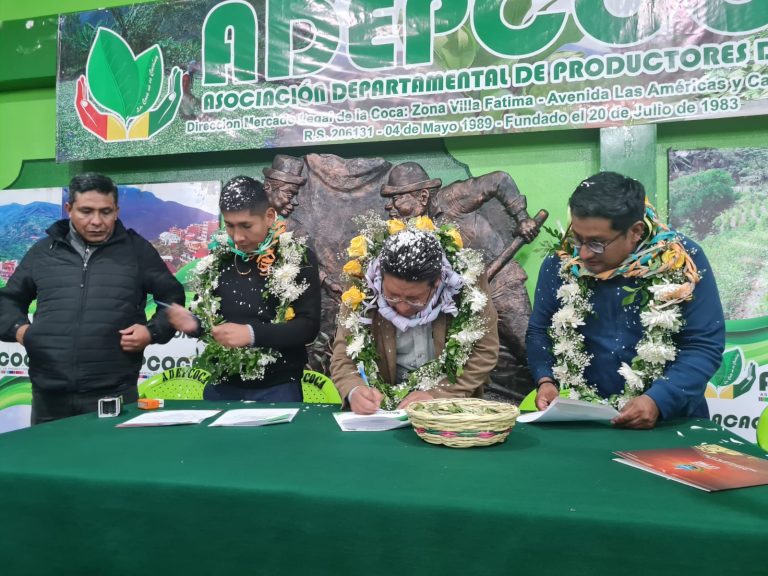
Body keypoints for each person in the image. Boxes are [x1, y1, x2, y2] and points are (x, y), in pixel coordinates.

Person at [526, 172, 725, 429]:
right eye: (577, 238)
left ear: (635, 231)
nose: (583, 254)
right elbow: (540, 330)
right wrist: (545, 380)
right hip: (586, 420)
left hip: (670, 421)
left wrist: (659, 399)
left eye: (596, 243)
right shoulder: (562, 262)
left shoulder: (682, 261)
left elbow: (703, 345)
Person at [0, 172, 185, 424]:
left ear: (116, 211)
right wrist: (21, 331)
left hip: (115, 395)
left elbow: (172, 298)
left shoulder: (137, 251)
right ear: (69, 209)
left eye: (105, 212)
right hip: (49, 397)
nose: (96, 221)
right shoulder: (43, 252)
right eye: (86, 211)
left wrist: (151, 332)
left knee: (110, 452)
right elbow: (7, 301)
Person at [380, 162, 539, 399]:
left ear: (422, 197)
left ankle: (555, 394)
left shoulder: (452, 199)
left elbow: (499, 179)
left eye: (396, 198)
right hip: (463, 299)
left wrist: (522, 218)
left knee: (527, 345)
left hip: (500, 284)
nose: (388, 206)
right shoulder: (403, 231)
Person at [166, 175, 321, 401]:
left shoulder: (297, 257)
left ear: (269, 217)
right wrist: (194, 324)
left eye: (246, 226)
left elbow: (308, 327)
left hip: (278, 387)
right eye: (230, 226)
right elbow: (215, 326)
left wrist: (252, 334)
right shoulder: (219, 259)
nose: (238, 237)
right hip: (221, 384)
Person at [331, 226, 499, 414]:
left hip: (450, 413)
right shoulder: (361, 285)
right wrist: (354, 389)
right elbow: (344, 352)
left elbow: (485, 350)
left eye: (414, 299)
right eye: (392, 296)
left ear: (437, 282)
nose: (402, 308)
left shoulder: (467, 283)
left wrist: (438, 395)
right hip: (384, 412)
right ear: (380, 276)